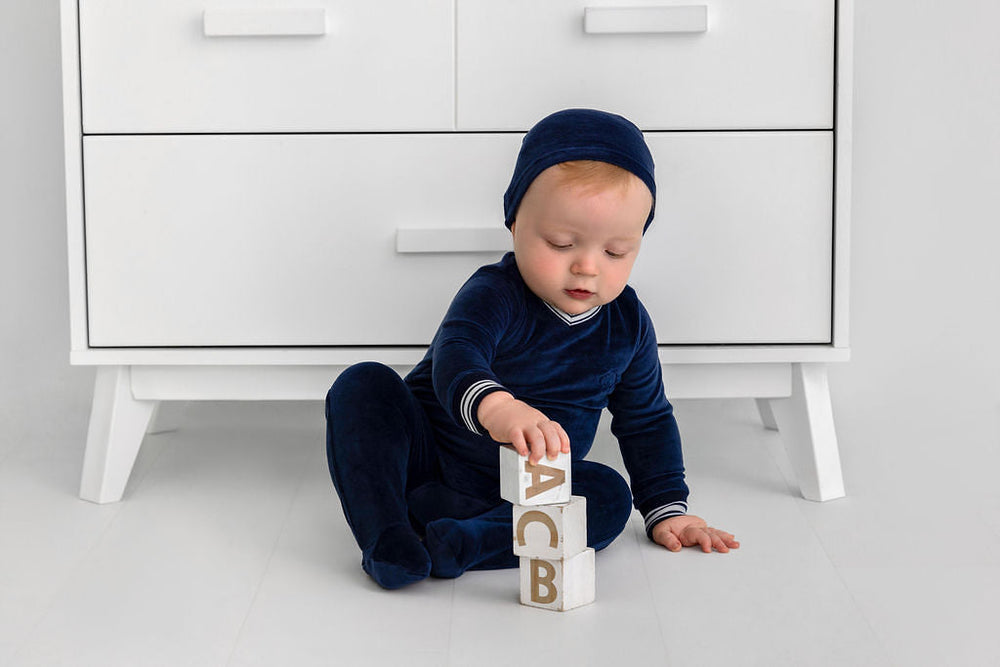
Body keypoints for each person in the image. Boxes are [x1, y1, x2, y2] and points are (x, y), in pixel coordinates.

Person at [325, 108, 739, 590]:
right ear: (514, 223)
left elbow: (646, 420)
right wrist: (497, 406)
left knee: (607, 495)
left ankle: (463, 544)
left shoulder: (628, 324)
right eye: (561, 243)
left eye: (615, 252)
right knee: (363, 384)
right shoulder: (495, 293)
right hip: (424, 465)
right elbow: (457, 354)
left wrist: (669, 508)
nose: (587, 267)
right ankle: (388, 536)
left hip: (527, 498)